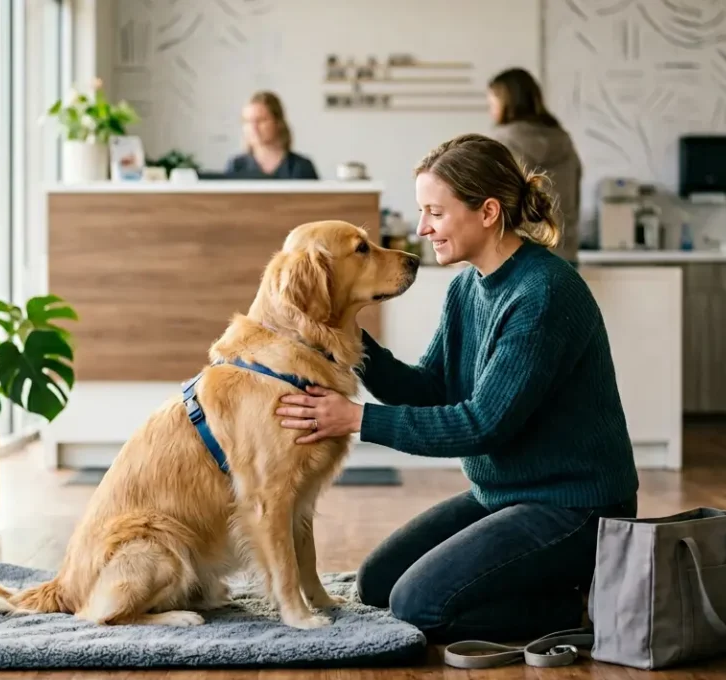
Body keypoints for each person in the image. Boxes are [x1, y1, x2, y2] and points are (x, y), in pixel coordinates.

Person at [273, 133, 639, 643]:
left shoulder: (544, 293)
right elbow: (431, 388)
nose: (422, 229)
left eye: (435, 213)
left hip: (575, 509)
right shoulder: (468, 286)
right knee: (377, 583)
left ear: (487, 212)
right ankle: (531, 587)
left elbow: (481, 424)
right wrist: (349, 337)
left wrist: (355, 419)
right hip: (503, 496)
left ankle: (570, 606)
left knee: (417, 605)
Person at [486, 67, 583, 264]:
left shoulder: (502, 142)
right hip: (565, 254)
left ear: (506, 102)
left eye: (492, 102)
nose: (491, 110)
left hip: (520, 258)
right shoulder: (563, 139)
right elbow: (576, 193)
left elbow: (493, 204)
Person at [225, 91, 320, 179]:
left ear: (278, 123)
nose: (254, 127)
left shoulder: (302, 166)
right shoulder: (236, 166)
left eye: (261, 120)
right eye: (248, 121)